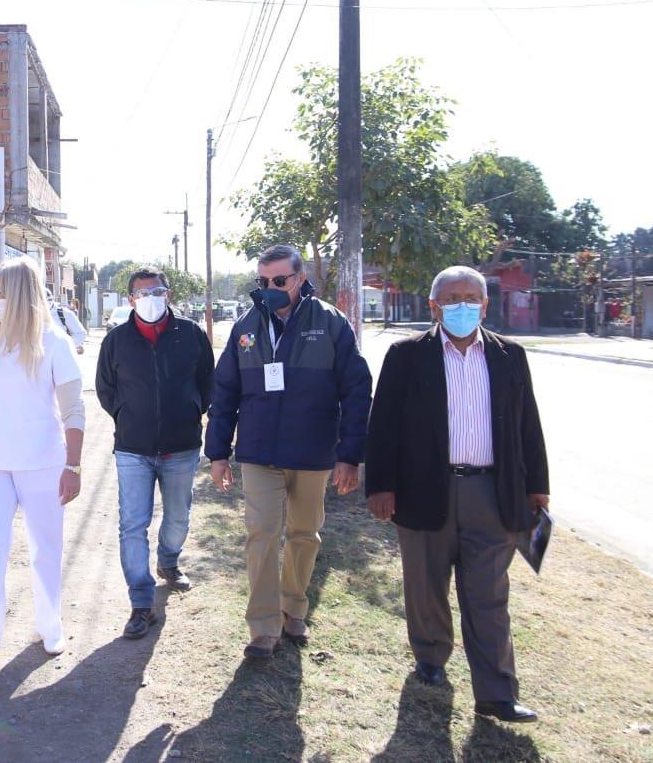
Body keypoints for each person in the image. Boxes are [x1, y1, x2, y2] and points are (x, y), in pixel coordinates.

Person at [365, 265, 549, 724]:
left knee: (489, 594)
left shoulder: (510, 356)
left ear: (486, 306)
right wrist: (380, 486)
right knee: (425, 586)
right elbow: (383, 425)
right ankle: (430, 656)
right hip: (425, 489)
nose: (462, 305)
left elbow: (528, 424)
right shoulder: (406, 355)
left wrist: (537, 488)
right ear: (434, 306)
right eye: (452, 298)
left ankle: (497, 692)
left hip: (493, 492)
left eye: (471, 298)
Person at [204, 244, 371, 659]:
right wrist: (219, 453)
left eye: (279, 280)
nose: (271, 288)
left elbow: (356, 390)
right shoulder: (246, 326)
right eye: (263, 282)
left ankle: (293, 608)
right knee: (261, 535)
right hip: (259, 453)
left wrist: (350, 455)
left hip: (313, 452)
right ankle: (263, 627)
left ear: (299, 279)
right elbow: (224, 391)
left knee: (304, 534)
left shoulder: (330, 323)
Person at [0, 257, 86, 676]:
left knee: (45, 549)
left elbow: (74, 410)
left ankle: (50, 626)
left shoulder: (53, 343)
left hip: (43, 463)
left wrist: (74, 466)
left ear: (20, 295)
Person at [96, 266, 214, 639]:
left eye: (157, 291)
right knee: (132, 524)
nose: (150, 299)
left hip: (181, 447)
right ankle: (141, 602)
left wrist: (193, 408)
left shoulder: (191, 335)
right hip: (133, 448)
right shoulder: (116, 340)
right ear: (130, 299)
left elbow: (208, 382)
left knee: (178, 517)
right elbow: (105, 388)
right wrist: (124, 414)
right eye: (142, 293)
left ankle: (168, 561)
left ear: (169, 294)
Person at [47, 287, 88, 354]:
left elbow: (81, 334)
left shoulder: (63, 313)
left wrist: (65, 345)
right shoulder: (27, 314)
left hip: (60, 357)